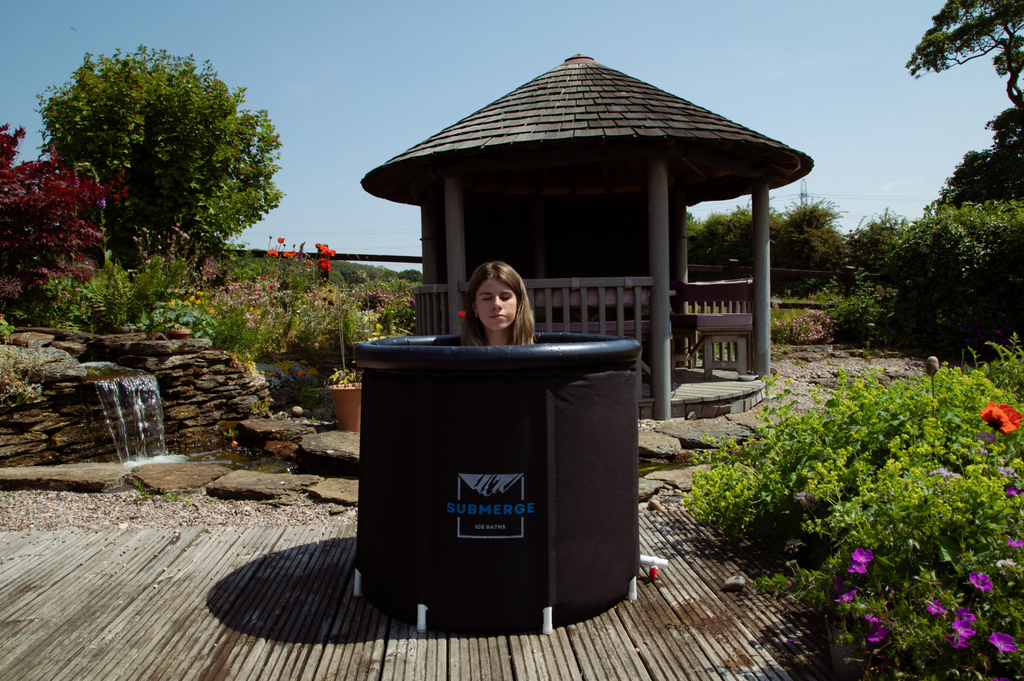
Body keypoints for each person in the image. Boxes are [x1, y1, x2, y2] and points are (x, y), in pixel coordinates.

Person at [461, 261, 535, 346]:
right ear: (474, 306)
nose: (496, 304)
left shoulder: (541, 356)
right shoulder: (454, 356)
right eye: (487, 298)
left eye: (505, 297)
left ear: (519, 303)